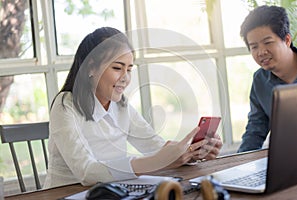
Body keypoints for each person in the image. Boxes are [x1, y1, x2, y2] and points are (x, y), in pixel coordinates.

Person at [43, 27, 223, 189]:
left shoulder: (121, 105)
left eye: (129, 69)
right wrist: (155, 161)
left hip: (112, 192)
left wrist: (192, 153)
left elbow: (156, 147)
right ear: (91, 68)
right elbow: (87, 172)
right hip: (65, 194)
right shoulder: (65, 105)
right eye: (117, 68)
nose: (125, 78)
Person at [237, 5, 297, 152]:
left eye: (268, 42)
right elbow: (255, 131)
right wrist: (239, 164)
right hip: (288, 162)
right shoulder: (260, 80)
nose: (261, 52)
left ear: (287, 40)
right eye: (254, 47)